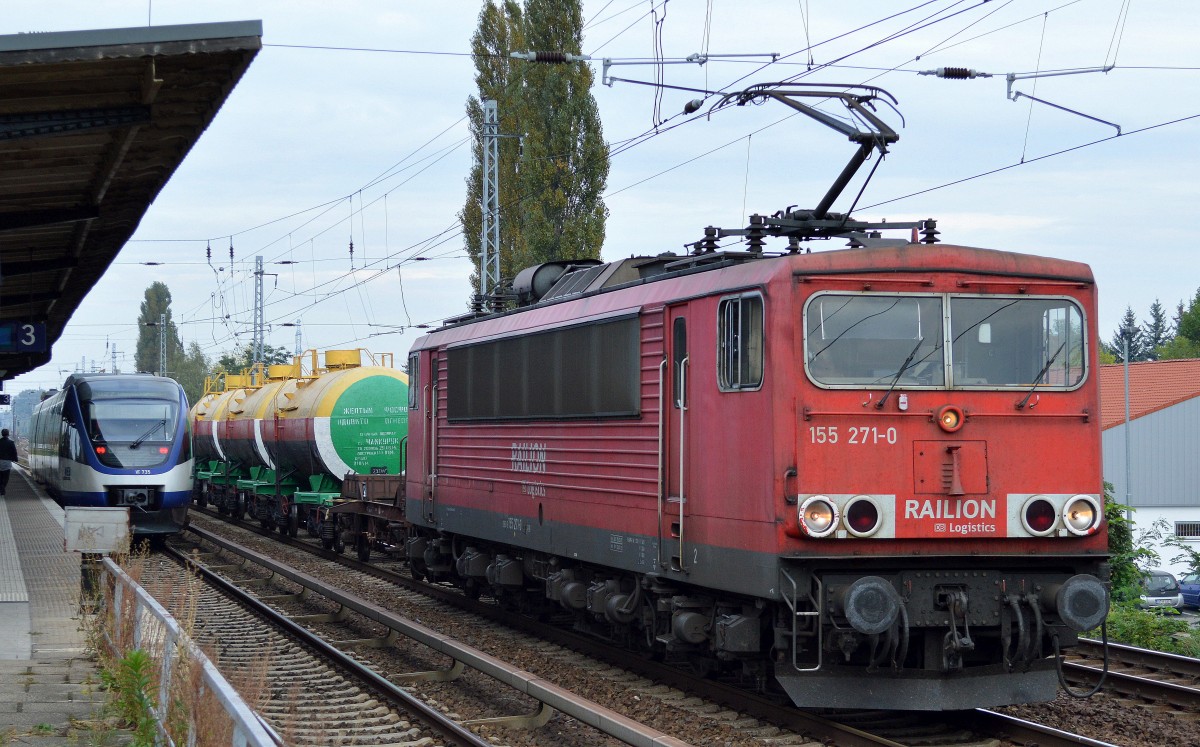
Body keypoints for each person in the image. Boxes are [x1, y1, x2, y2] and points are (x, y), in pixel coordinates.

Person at [0, 428, 17, 497]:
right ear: (8, 434)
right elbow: (14, 452)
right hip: (7, 462)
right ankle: (3, 487)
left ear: (2, 434)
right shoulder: (11, 442)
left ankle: (1, 487)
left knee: (0, 477)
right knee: (6, 477)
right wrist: (15, 459)